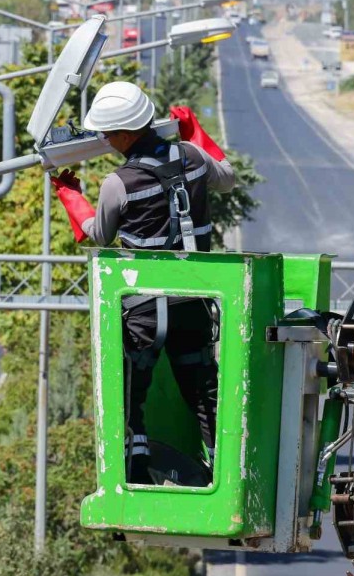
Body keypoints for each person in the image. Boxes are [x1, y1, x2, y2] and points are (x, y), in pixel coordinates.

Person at [51, 81, 235, 485]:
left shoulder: (118, 183)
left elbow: (98, 236)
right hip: (192, 303)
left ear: (124, 135)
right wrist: (196, 133)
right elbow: (227, 178)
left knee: (131, 396)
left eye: (107, 134)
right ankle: (225, 474)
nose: (104, 140)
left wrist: (70, 195)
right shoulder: (193, 156)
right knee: (203, 392)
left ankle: (135, 478)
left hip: (144, 314)